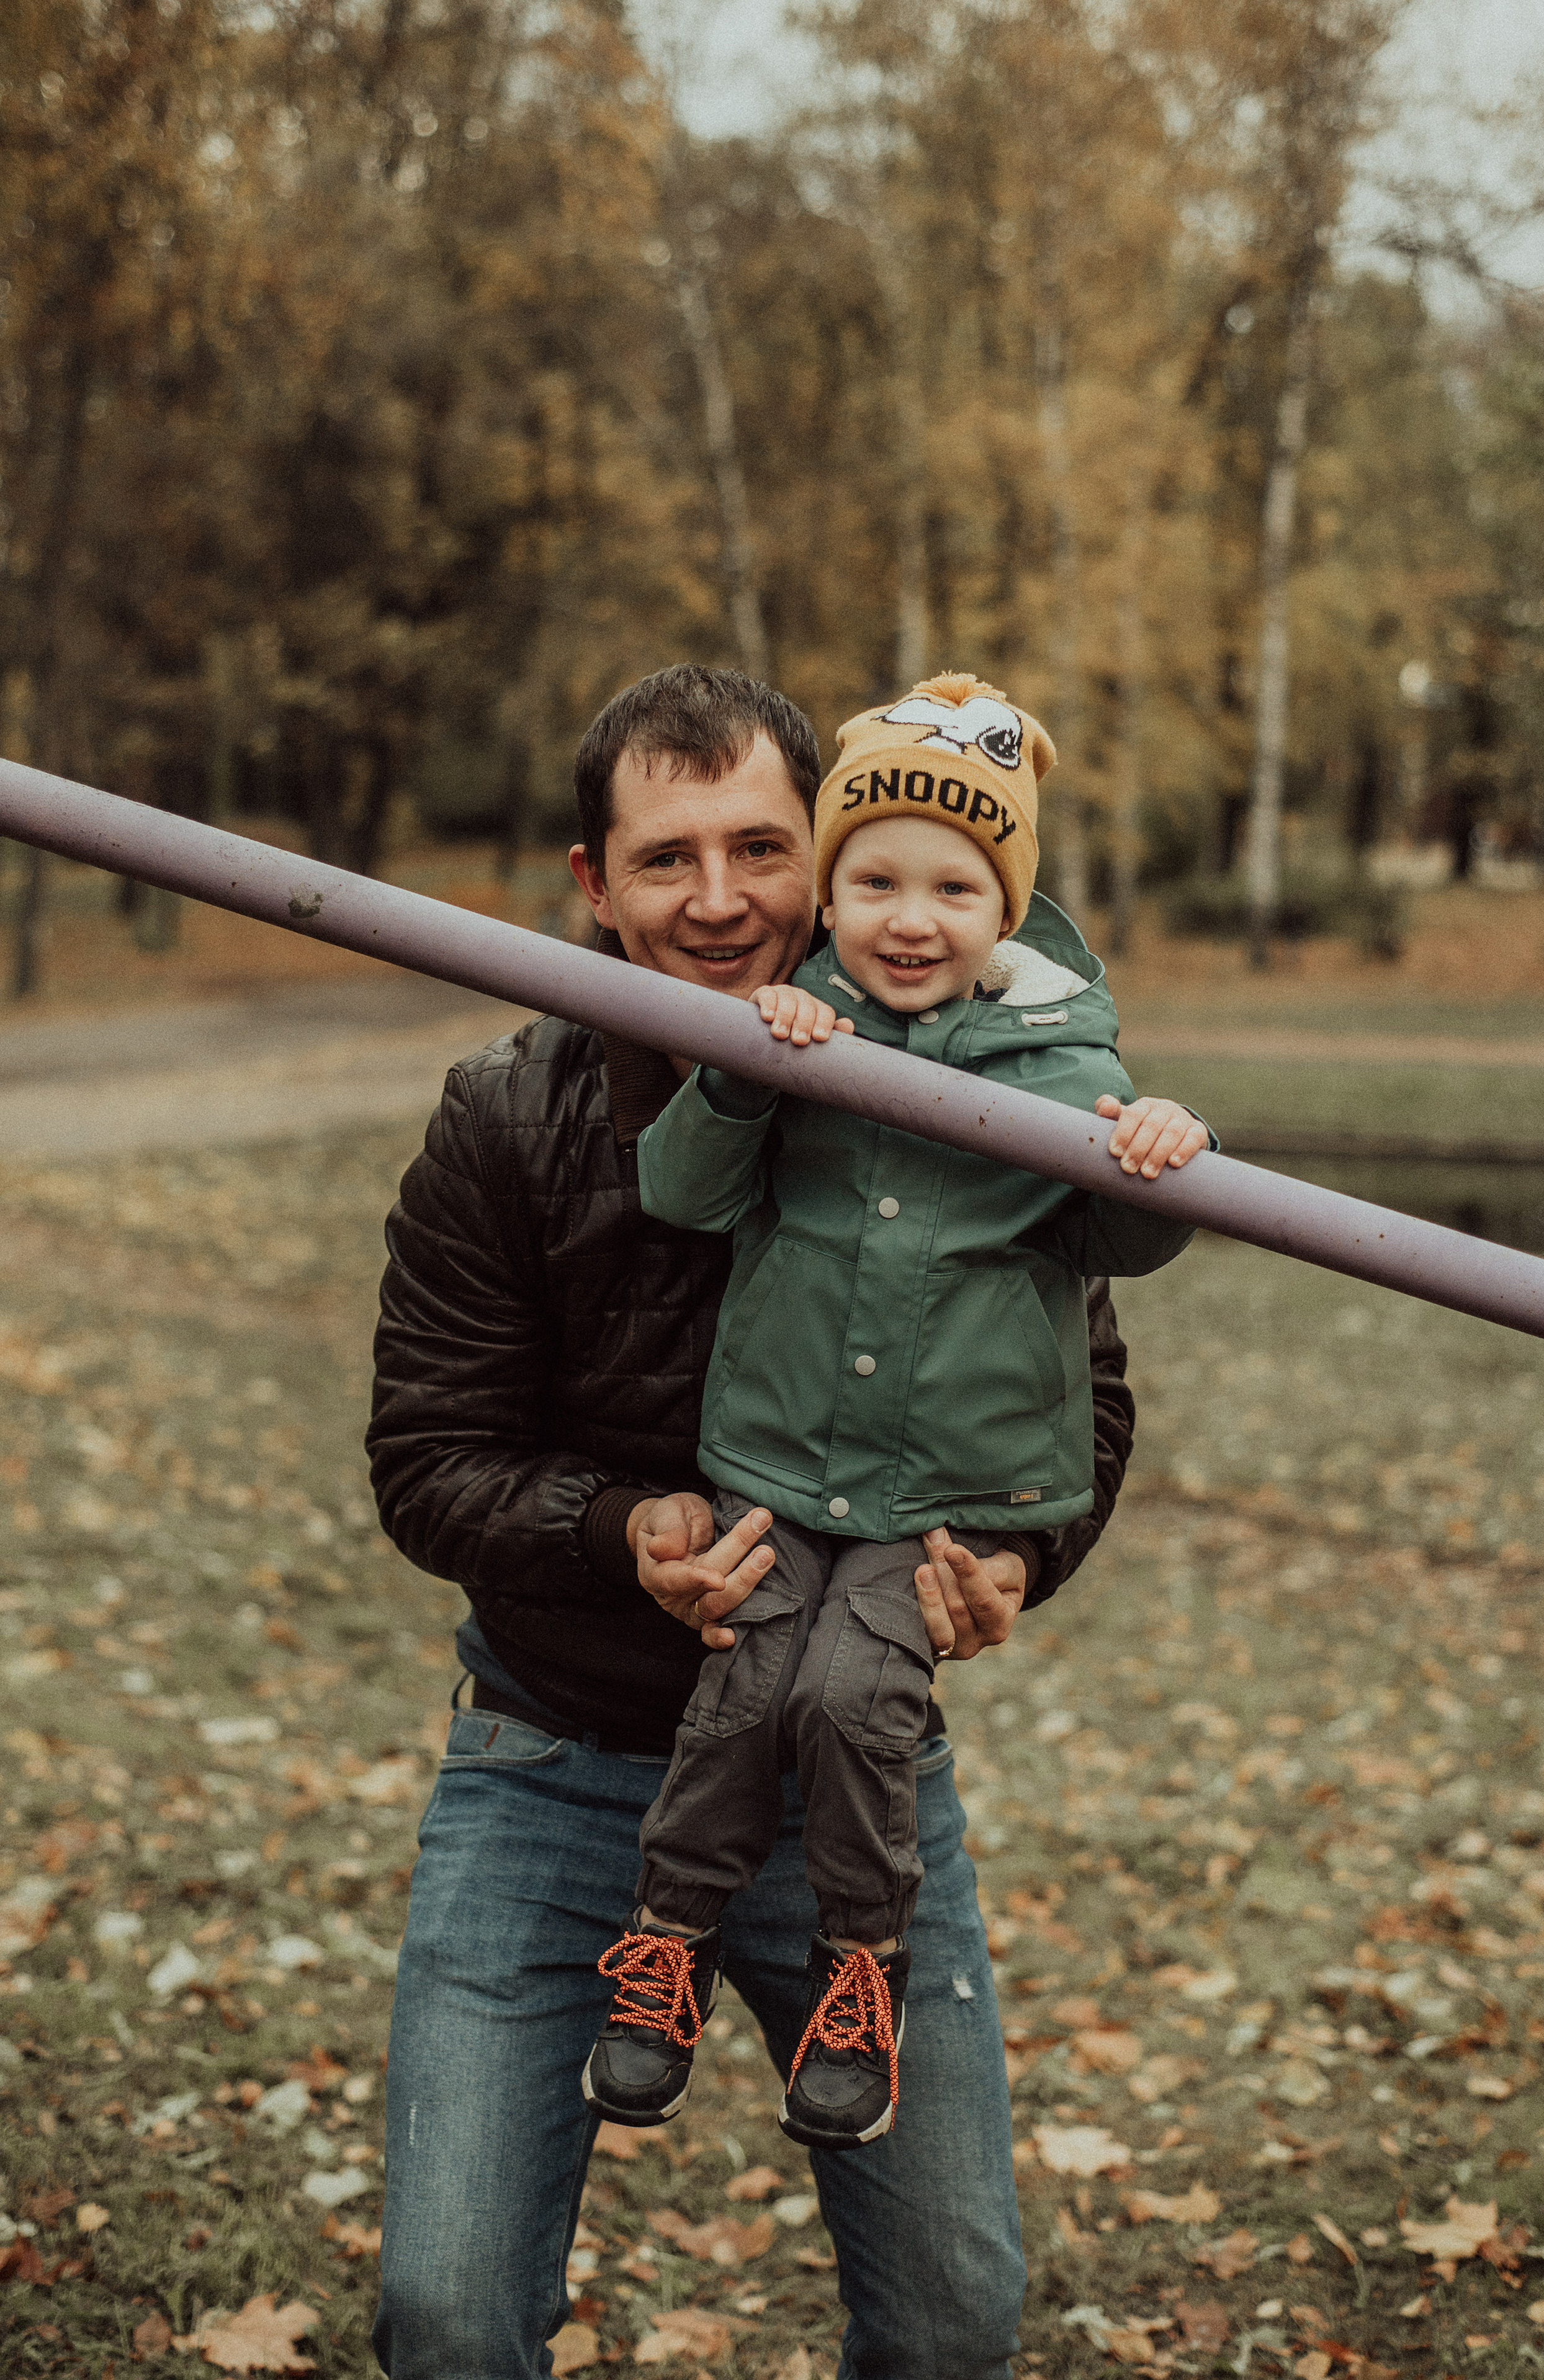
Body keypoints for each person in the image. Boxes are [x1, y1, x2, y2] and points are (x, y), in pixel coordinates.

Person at [366, 665, 1158, 2380]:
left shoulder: (964, 1100)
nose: (720, 901)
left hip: (845, 1777)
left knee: (956, 2316)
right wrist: (618, 1525)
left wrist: (1015, 1561)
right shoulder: (506, 1117)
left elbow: (1082, 1402)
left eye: (759, 847)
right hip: (552, 1764)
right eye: (665, 860)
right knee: (441, 2308)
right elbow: (427, 1456)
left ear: (831, 853)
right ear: (591, 885)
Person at [580, 673, 1208, 2156]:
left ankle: (860, 1970)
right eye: (874, 881)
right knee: (741, 1686)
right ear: (833, 894)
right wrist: (749, 1068)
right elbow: (683, 1191)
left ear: (1008, 911)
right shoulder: (800, 1027)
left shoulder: (1064, 1063)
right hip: (785, 1471)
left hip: (938, 1504)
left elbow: (1117, 1260)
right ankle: (663, 1942)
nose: (909, 918)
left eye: (953, 888)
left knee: (854, 1698)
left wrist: (1156, 1154)